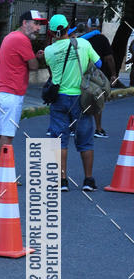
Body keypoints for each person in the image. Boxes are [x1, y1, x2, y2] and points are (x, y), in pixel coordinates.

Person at [0, 10, 44, 182]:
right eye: (36, 23)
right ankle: (4, 176)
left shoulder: (10, 37)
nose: (38, 28)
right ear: (24, 23)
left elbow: (21, 61)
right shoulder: (22, 40)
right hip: (12, 94)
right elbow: (34, 67)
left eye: (40, 24)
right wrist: (36, 58)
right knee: (7, 136)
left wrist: (32, 57)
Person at [44, 14, 102, 192]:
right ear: (68, 27)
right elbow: (98, 64)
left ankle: (62, 181)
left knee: (60, 140)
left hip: (59, 98)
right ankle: (88, 180)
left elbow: (52, 74)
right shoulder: (84, 44)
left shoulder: (49, 51)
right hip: (81, 99)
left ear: (52, 32)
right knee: (85, 141)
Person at [76, 22, 118, 137]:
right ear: (99, 27)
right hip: (96, 76)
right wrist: (113, 74)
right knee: (97, 100)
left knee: (79, 100)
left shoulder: (80, 39)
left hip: (80, 74)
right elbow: (108, 58)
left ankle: (74, 127)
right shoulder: (102, 39)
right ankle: (98, 129)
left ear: (87, 26)